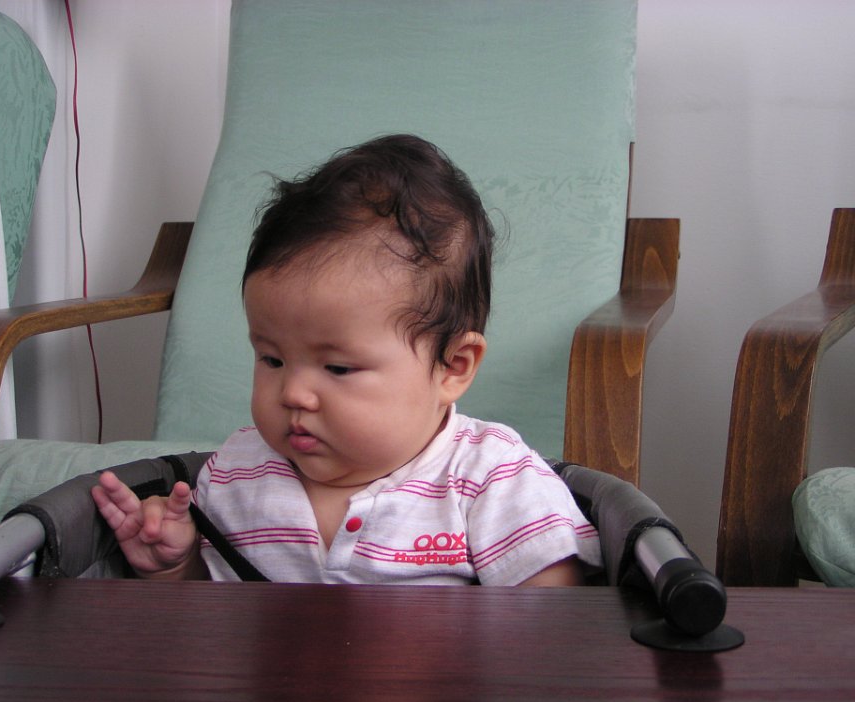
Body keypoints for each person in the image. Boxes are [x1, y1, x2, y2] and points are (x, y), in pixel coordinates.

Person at [92, 134, 602, 585]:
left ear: (453, 366)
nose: (293, 393)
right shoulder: (235, 473)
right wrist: (177, 567)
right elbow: (212, 619)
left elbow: (550, 624)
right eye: (271, 359)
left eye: (337, 368)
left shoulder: (492, 477)